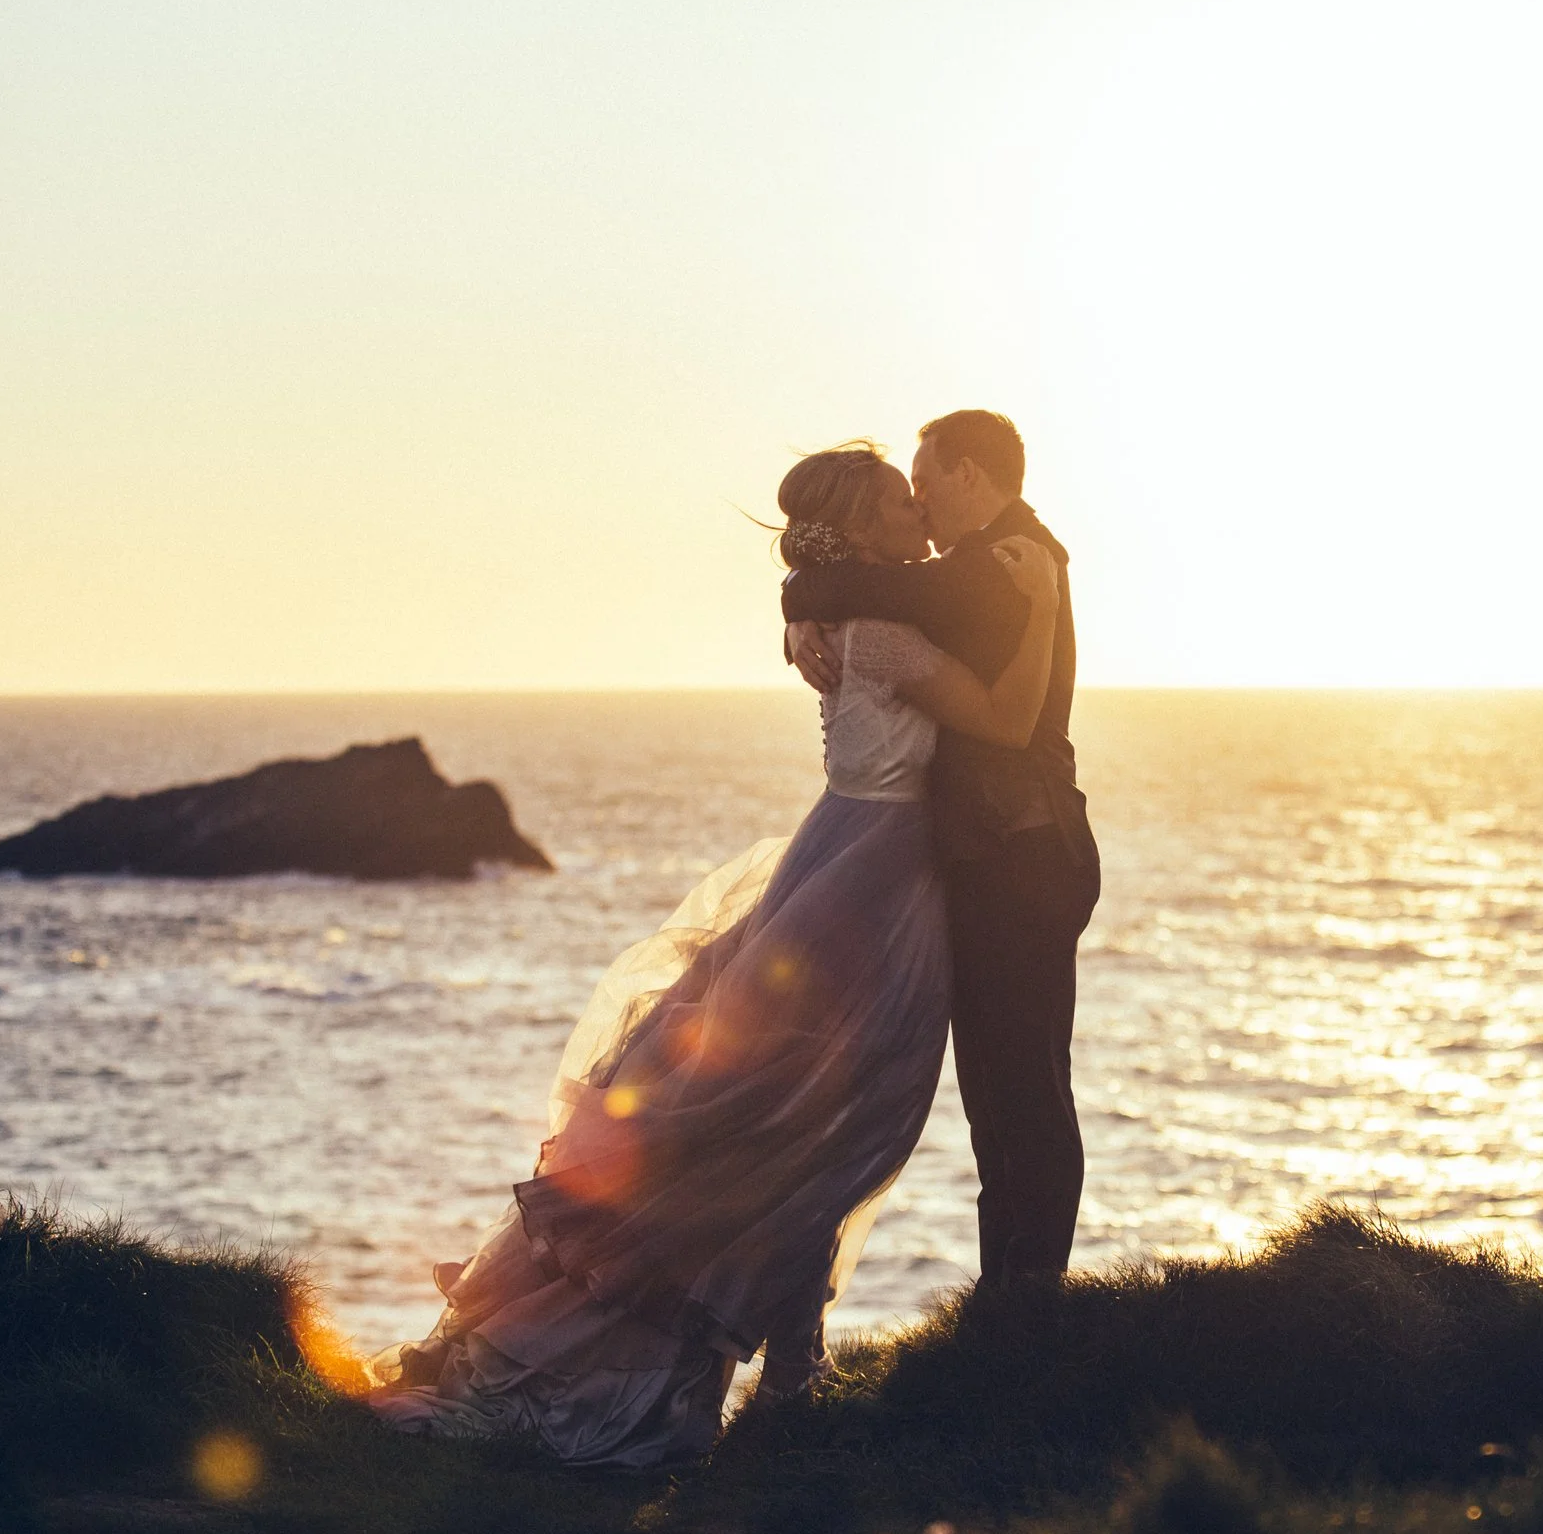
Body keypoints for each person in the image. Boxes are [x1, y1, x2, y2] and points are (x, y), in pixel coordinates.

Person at [365, 443, 1060, 1467]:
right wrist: (1043, 601)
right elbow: (1006, 720)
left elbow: (847, 599)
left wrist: (798, 604)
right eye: (896, 501)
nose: (917, 511)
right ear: (864, 529)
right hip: (865, 891)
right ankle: (787, 1374)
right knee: (831, 1130)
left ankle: (791, 1371)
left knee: (811, 1130)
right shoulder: (883, 634)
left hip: (847, 868)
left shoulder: (843, 618)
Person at [782, 410, 1098, 1288]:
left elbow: (883, 598)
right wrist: (799, 610)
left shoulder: (1003, 563)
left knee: (1025, 1096)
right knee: (1003, 1099)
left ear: (968, 475)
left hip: (1024, 855)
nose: (919, 500)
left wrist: (800, 598)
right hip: (1004, 852)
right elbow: (873, 598)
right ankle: (1011, 1307)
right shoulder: (993, 556)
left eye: (926, 481)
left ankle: (1026, 1314)